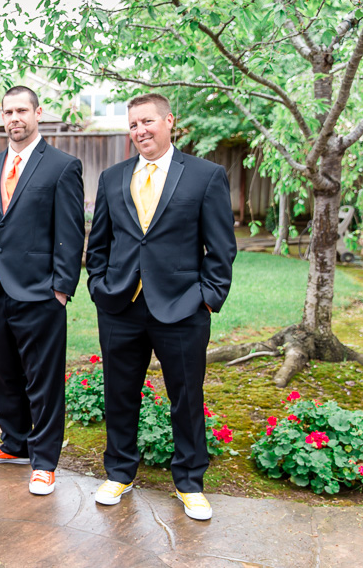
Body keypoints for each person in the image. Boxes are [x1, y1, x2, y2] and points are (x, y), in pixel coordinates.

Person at [86, 92, 236, 520]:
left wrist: (207, 297)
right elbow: (98, 244)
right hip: (120, 307)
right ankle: (119, 472)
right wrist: (99, 286)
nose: (139, 131)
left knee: (186, 397)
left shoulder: (205, 176)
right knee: (118, 393)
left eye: (147, 122)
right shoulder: (113, 178)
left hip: (182, 308)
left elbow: (221, 249)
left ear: (169, 121)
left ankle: (189, 482)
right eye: (132, 124)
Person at [0, 86, 85, 496]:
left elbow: (70, 235)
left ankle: (45, 461)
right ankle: (14, 443)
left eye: (21, 110)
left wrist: (61, 289)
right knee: (2, 374)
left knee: (43, 379)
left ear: (38, 113)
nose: (14, 118)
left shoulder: (62, 166)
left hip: (39, 293)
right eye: (7, 112)